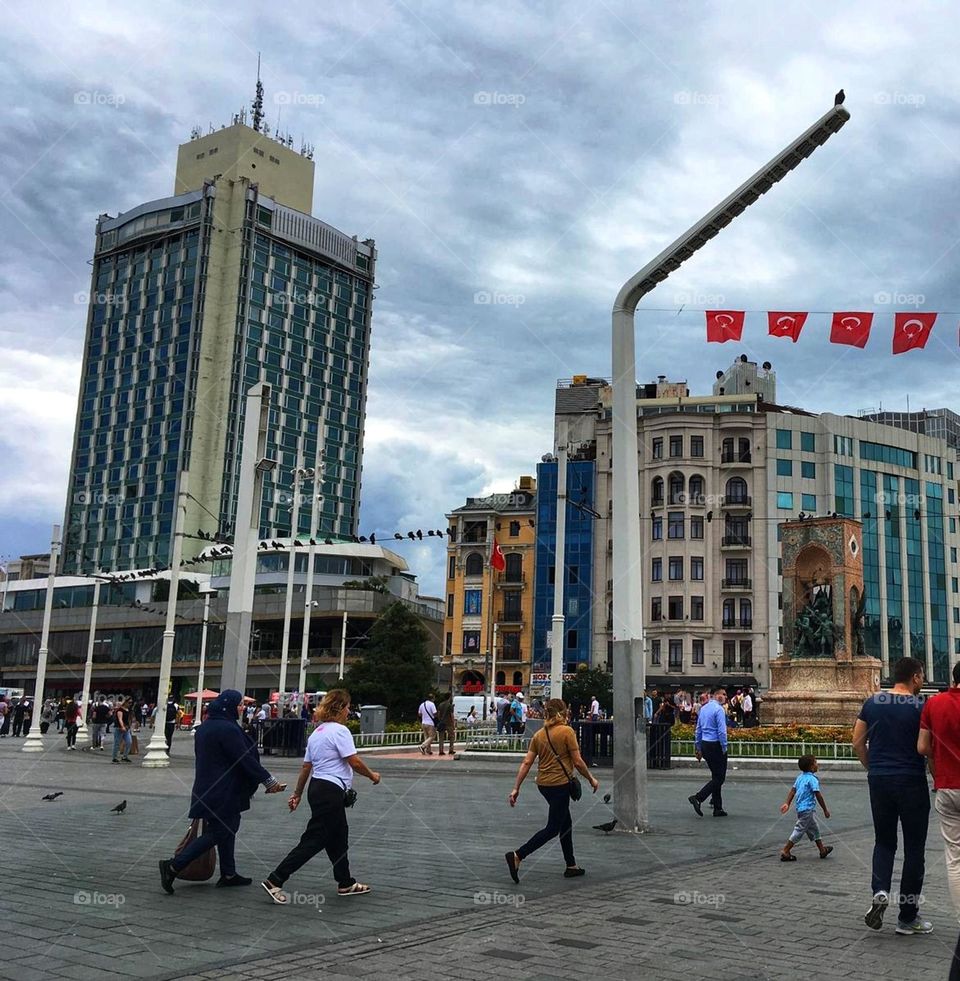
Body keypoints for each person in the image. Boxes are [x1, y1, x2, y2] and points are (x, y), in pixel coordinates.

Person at [159, 690, 286, 894]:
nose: (242, 708)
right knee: (222, 831)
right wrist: (268, 781)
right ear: (228, 706)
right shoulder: (227, 729)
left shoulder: (205, 727)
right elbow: (244, 759)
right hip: (224, 790)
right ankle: (173, 866)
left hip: (207, 788)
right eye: (238, 704)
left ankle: (229, 874)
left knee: (226, 829)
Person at [261, 690, 381, 902]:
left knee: (338, 836)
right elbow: (354, 761)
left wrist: (297, 794)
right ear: (340, 707)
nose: (348, 711)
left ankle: (345, 882)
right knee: (315, 839)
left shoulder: (317, 732)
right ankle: (275, 879)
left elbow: (306, 767)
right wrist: (373, 775)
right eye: (347, 707)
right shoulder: (340, 731)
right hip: (330, 791)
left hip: (316, 788)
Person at [853, 656, 932, 935]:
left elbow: (857, 741)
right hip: (911, 781)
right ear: (916, 677)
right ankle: (907, 917)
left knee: (884, 842)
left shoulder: (873, 702)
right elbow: (927, 747)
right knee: (914, 849)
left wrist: (872, 767)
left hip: (880, 780)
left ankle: (880, 891)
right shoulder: (921, 707)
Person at [505, 699, 599, 882]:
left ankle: (571, 865)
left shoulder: (539, 735)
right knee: (553, 828)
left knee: (566, 823)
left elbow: (527, 762)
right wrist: (591, 779)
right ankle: (518, 855)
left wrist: (516, 788)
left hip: (543, 785)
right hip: (560, 785)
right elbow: (578, 762)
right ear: (562, 713)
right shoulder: (567, 732)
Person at [918, 661, 960, 975]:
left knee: (955, 858)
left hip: (947, 787)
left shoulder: (934, 703)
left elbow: (922, 747)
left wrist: (937, 766)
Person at [779, 755, 833, 861]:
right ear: (812, 767)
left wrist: (787, 803)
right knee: (799, 829)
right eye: (816, 762)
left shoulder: (800, 777)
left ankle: (822, 850)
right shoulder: (812, 780)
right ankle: (785, 850)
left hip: (801, 809)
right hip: (807, 809)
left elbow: (793, 790)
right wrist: (825, 809)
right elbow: (818, 795)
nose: (817, 764)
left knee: (814, 828)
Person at [688, 686, 728, 818]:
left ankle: (718, 808)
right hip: (715, 745)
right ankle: (699, 797)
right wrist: (724, 747)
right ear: (716, 695)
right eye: (723, 694)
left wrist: (698, 748)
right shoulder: (719, 709)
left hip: (705, 745)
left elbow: (698, 730)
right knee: (719, 778)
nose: (726, 697)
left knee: (715, 776)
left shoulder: (703, 708)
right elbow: (722, 731)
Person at [112, 697, 133, 763]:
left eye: (131, 703)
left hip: (127, 728)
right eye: (129, 702)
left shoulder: (128, 710)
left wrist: (129, 726)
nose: (130, 704)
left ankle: (125, 756)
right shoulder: (120, 710)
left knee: (129, 742)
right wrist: (122, 726)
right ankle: (114, 757)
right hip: (119, 728)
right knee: (117, 743)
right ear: (125, 702)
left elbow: (129, 719)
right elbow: (120, 719)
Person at [435, 692, 455, 756]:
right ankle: (451, 750)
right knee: (451, 737)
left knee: (441, 738)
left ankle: (441, 751)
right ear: (449, 697)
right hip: (449, 723)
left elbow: (438, 714)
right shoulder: (450, 705)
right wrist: (453, 723)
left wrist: (440, 720)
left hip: (442, 723)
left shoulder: (440, 704)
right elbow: (451, 715)